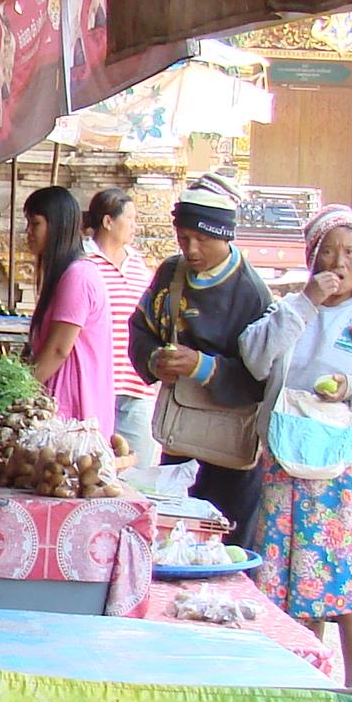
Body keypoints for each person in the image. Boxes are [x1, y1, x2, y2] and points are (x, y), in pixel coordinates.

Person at [239, 206, 352, 690]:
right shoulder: (290, 309)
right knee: (295, 582)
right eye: (328, 251)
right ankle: (304, 683)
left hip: (346, 471)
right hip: (285, 465)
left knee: (349, 581)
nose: (338, 262)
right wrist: (306, 303)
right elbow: (255, 358)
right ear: (311, 258)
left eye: (349, 253)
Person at [129, 173, 275, 537]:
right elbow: (141, 329)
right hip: (181, 440)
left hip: (231, 451)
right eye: (184, 239)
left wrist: (203, 367)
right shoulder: (170, 274)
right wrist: (155, 360)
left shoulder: (252, 294)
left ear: (225, 236)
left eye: (202, 239)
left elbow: (262, 380)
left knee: (226, 544)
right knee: (172, 537)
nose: (191, 249)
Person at [21, 185, 112, 425]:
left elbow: (58, 350)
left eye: (35, 223)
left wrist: (17, 391)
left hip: (72, 411)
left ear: (57, 226)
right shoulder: (66, 274)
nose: (28, 231)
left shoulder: (78, 276)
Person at [84, 187, 160, 467]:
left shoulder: (139, 265)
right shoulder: (83, 262)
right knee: (90, 469)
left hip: (136, 386)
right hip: (94, 386)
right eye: (130, 218)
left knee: (138, 471)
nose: (134, 226)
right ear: (108, 221)